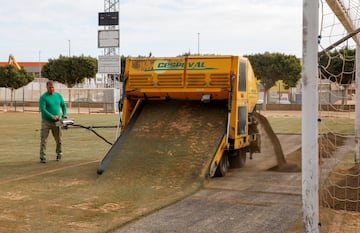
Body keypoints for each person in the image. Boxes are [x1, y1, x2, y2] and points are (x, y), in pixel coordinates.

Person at [39, 80, 67, 163]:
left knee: (59, 139)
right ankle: (42, 156)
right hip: (46, 121)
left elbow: (63, 105)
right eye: (50, 87)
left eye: (53, 87)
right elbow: (43, 109)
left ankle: (59, 154)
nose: (52, 89)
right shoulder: (43, 97)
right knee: (43, 139)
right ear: (47, 87)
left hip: (57, 121)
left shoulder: (58, 96)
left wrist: (64, 114)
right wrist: (51, 116)